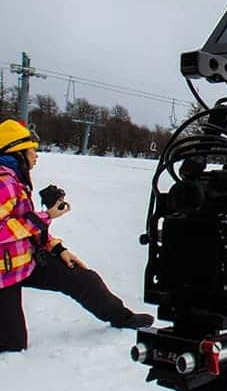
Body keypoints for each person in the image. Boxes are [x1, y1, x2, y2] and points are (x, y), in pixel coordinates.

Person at [0, 119, 154, 352]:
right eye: (32, 150)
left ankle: (122, 317)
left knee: (83, 279)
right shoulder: (4, 184)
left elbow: (25, 228)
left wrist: (58, 249)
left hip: (24, 262)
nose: (36, 156)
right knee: (13, 343)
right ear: (17, 152)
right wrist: (45, 216)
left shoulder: (17, 181)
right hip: (4, 274)